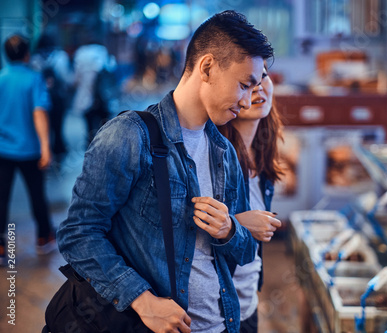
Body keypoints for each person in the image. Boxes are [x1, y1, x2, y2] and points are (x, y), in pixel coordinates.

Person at [55, 10, 273, 333]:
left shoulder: (225, 153)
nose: (248, 99)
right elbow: (78, 233)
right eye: (243, 85)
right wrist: (144, 301)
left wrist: (229, 229)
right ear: (208, 67)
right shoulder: (130, 135)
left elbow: (245, 252)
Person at [218, 64, 283, 332]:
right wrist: (237, 224)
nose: (258, 87)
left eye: (264, 76)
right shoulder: (216, 159)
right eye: (247, 81)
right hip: (219, 311)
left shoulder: (263, 156)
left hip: (248, 305)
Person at [0, 34, 56, 265]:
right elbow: (39, 112)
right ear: (26, 53)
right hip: (30, 150)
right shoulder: (34, 79)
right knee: (37, 196)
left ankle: (2, 247)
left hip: (3, 150)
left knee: (1, 197)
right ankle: (43, 238)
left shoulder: (1, 78)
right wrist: (45, 147)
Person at [71, 41, 116, 145]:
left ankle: (91, 149)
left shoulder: (80, 54)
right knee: (105, 127)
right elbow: (112, 72)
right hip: (103, 98)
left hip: (86, 98)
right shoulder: (103, 52)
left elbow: (75, 80)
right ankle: (105, 147)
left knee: (89, 127)